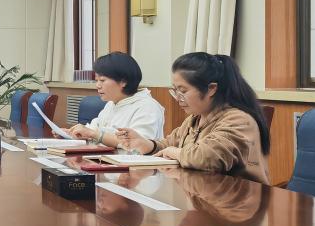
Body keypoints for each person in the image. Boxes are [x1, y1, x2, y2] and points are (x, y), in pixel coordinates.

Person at [117, 53, 271, 184]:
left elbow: (207, 158)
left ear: (211, 89)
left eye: (183, 91)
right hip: (206, 197)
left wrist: (175, 152)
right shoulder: (195, 118)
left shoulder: (238, 120)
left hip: (238, 203)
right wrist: (146, 144)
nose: (178, 98)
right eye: (175, 91)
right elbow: (170, 143)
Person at [68, 52, 164, 146]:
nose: (97, 85)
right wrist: (72, 133)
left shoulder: (147, 107)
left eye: (102, 80)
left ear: (123, 82)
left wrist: (94, 134)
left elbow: (139, 145)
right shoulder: (112, 103)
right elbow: (93, 129)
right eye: (96, 80)